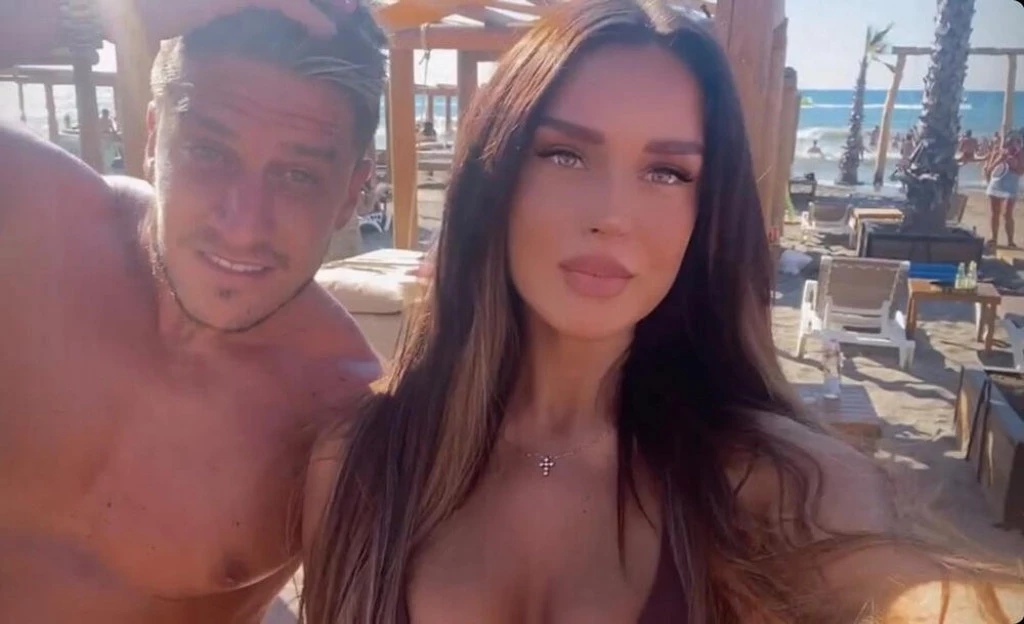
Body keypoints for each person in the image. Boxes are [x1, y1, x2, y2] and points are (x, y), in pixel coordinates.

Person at [301, 1, 1023, 622]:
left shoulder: (788, 491)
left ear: (704, 216)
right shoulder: (361, 462)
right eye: (564, 155)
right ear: (496, 176)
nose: (612, 214)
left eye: (667, 172)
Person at [0, 1, 386, 622]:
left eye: (296, 176)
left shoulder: (341, 419)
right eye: (209, 151)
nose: (242, 225)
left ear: (351, 191)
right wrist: (101, 16)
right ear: (153, 136)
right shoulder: (29, 223)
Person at [984, 131, 1024, 248]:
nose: (1012, 144)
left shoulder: (1021, 154)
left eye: (1016, 141)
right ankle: (993, 238)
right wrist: (1000, 159)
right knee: (994, 213)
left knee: (1007, 213)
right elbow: (989, 169)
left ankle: (1010, 241)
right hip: (996, 183)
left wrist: (1013, 163)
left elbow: (1021, 172)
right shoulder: (998, 151)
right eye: (1010, 141)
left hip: (1011, 186)